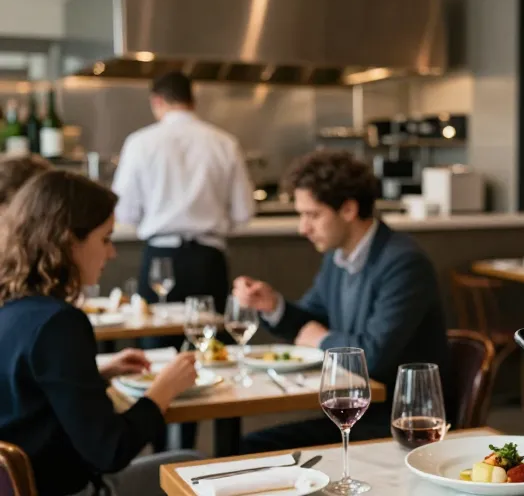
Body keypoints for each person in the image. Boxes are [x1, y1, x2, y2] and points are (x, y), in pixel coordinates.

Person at [232, 151, 453, 453]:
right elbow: (309, 318)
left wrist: (319, 338)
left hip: (399, 420)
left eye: (312, 215)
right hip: (356, 407)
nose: (303, 228)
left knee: (251, 449)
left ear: (348, 209)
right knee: (246, 447)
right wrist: (272, 305)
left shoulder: (403, 262)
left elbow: (372, 358)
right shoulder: (338, 258)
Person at [0, 170, 201, 496]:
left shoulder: (12, 308)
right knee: (194, 467)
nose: (112, 253)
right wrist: (162, 391)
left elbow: (24, 394)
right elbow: (111, 451)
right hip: (65, 489)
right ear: (68, 242)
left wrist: (100, 372)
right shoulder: (60, 324)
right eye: (105, 239)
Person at [110, 70, 255, 450]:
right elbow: (243, 213)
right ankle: (223, 453)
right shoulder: (224, 142)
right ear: (193, 99)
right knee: (215, 359)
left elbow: (123, 212)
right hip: (208, 260)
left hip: (160, 258)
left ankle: (161, 459)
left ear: (157, 101)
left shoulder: (140, 143)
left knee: (154, 364)